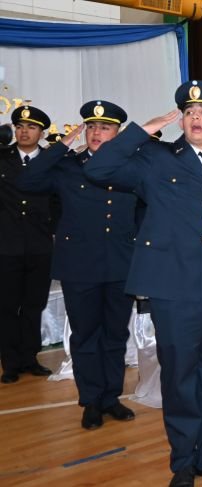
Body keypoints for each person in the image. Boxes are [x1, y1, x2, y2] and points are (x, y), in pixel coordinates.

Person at [84, 80, 202, 487]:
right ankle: (183, 462)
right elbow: (97, 168)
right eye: (189, 112)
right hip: (173, 289)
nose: (195, 117)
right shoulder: (157, 160)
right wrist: (140, 131)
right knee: (180, 378)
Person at [17, 100, 138, 429]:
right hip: (79, 265)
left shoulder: (131, 165)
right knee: (85, 336)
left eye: (106, 127)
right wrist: (62, 145)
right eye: (92, 126)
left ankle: (112, 397)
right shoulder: (67, 166)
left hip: (120, 264)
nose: (97, 132)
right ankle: (91, 401)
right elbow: (26, 181)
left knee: (115, 334)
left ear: (118, 133)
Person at [0, 105, 58, 384]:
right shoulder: (2, 158)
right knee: (7, 306)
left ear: (41, 132)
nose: (24, 132)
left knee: (34, 304)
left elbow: (59, 201)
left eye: (31, 127)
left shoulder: (53, 161)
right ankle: (10, 363)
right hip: (6, 245)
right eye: (19, 127)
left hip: (40, 245)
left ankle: (29, 357)